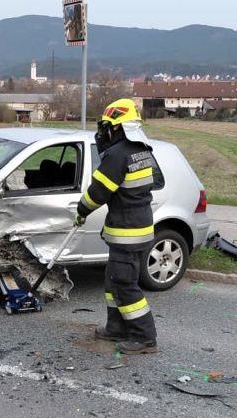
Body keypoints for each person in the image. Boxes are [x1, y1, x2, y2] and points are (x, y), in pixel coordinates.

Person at [74, 98, 159, 355]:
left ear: (117, 127)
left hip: (128, 233)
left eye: (107, 127)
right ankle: (116, 328)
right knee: (112, 280)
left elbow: (97, 192)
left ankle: (145, 337)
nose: (104, 133)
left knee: (123, 283)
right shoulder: (142, 150)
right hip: (135, 227)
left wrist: (81, 211)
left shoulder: (117, 155)